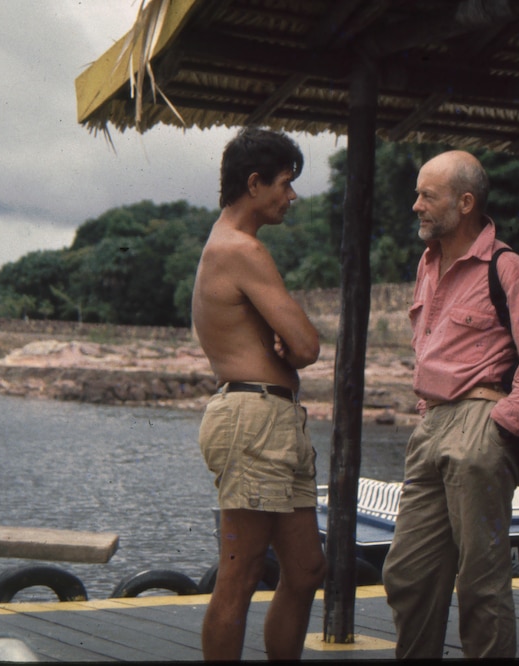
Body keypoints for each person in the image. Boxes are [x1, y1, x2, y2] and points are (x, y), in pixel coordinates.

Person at [381, 150, 519, 659]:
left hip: (479, 423)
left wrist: (502, 426)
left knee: (481, 583)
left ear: (465, 202)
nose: (416, 206)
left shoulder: (509, 268)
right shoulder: (429, 264)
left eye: (428, 195)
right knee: (407, 574)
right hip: (431, 424)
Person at [191, 127, 325, 661]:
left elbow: (295, 345)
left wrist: (288, 346)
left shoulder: (232, 246)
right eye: (285, 185)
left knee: (307, 568)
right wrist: (290, 345)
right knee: (241, 574)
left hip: (271, 416)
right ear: (254, 183)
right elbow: (308, 345)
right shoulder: (241, 249)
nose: (291, 196)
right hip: (252, 418)